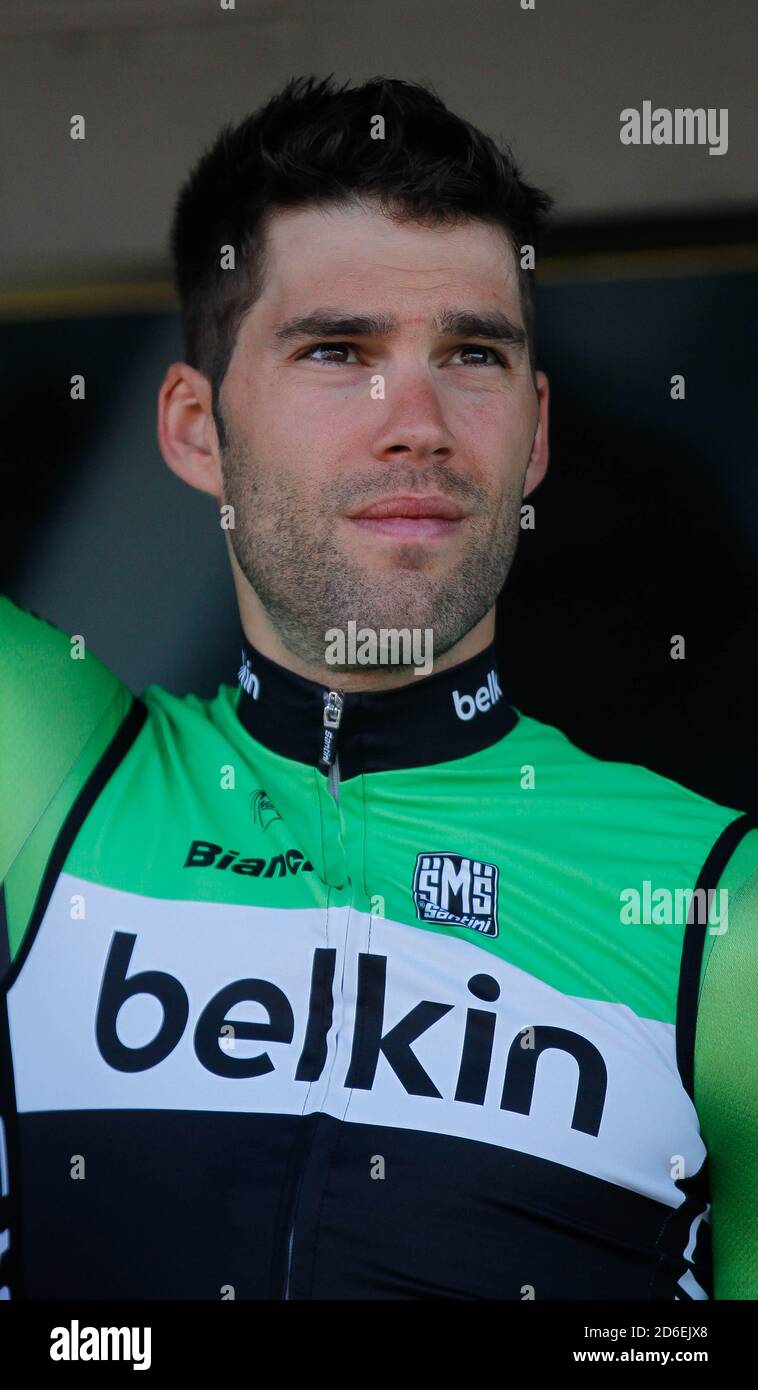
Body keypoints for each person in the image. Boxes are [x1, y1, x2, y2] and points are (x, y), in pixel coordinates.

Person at [1, 74, 755, 1302]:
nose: (416, 420)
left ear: (535, 433)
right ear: (198, 432)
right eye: (337, 349)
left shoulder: (719, 908)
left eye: (472, 353)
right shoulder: (45, 776)